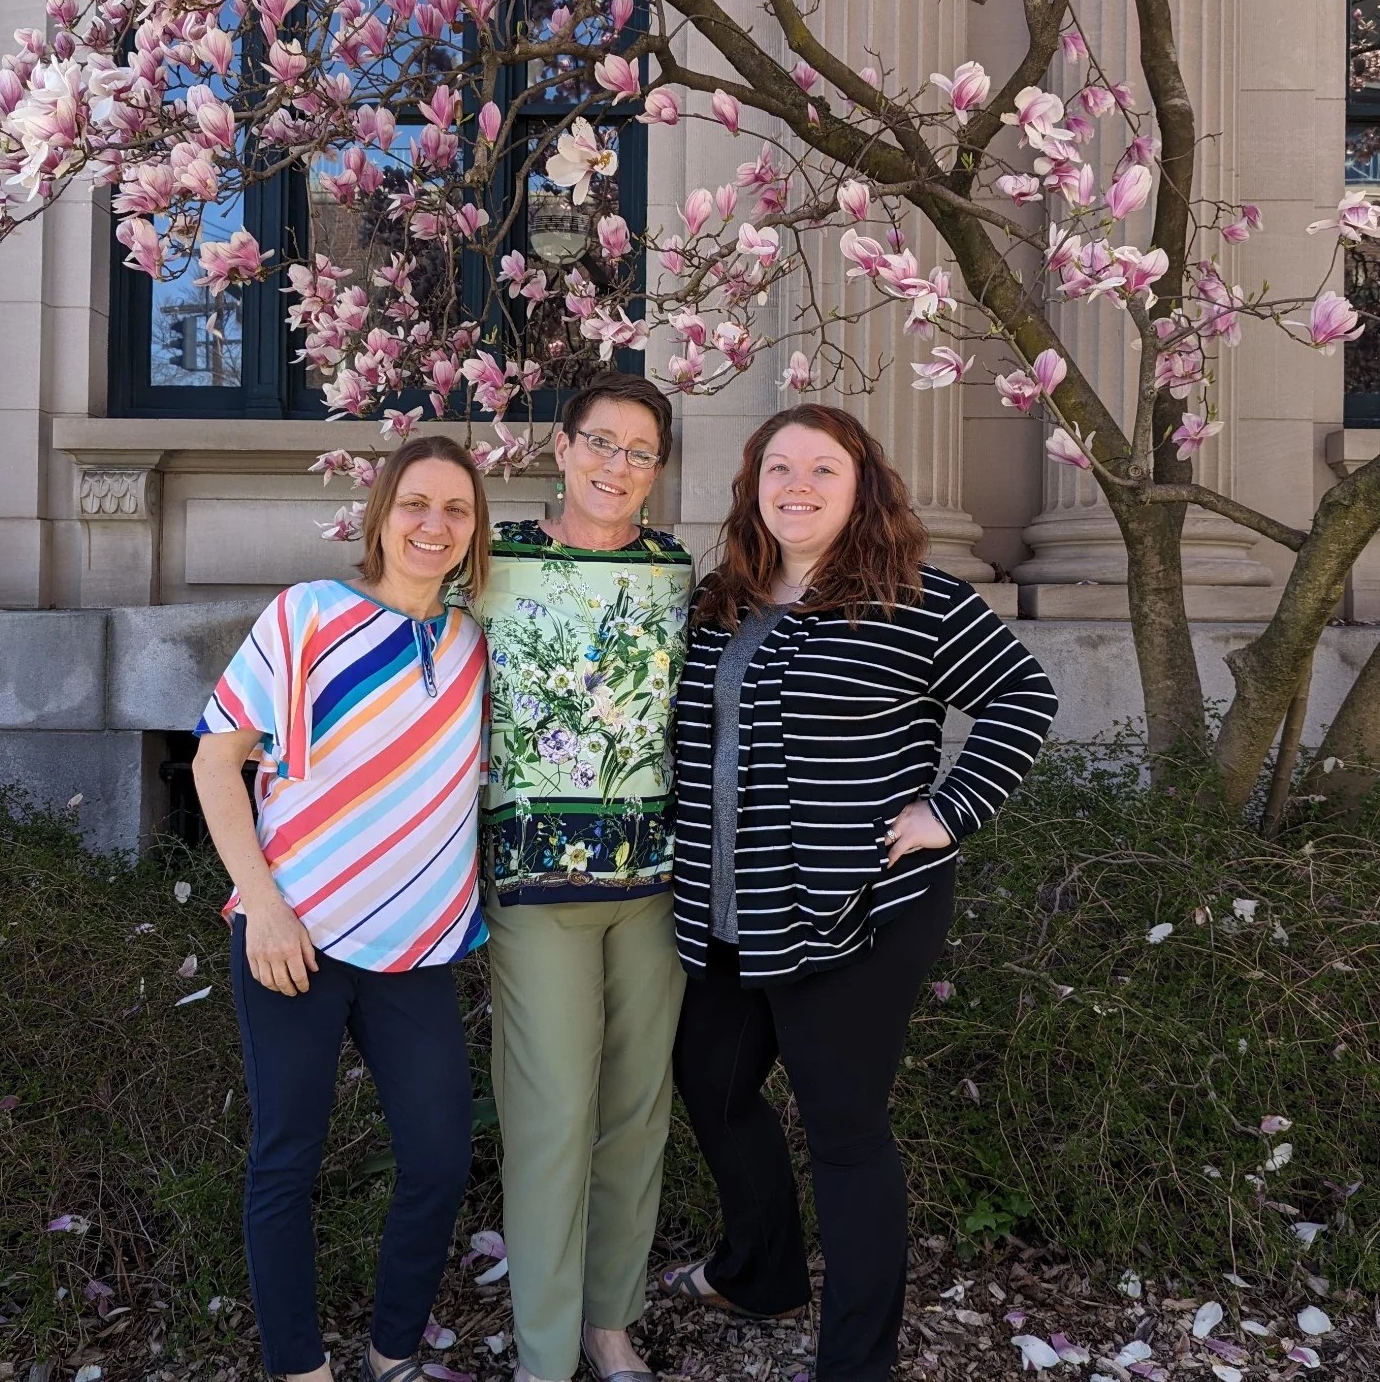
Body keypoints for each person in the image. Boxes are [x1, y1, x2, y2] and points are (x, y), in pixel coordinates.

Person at [660, 404, 1059, 1382]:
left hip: (858, 910)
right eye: (778, 469)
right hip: (725, 911)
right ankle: (761, 1272)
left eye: (821, 470)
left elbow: (1022, 696)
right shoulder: (721, 598)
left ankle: (855, 1363)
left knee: (842, 1132)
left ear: (860, 485)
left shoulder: (916, 598)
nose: (796, 486)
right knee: (710, 1091)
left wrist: (948, 810)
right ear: (753, 487)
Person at [192, 435, 493, 1382]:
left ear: (474, 528)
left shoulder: (474, 643)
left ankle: (392, 1351)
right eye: (415, 504)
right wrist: (264, 908)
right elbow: (213, 761)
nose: (433, 525)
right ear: (380, 514)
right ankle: (298, 1368)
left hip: (416, 950)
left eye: (455, 509)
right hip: (295, 939)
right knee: (288, 1158)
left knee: (442, 1158)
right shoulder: (306, 617)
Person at [471, 371, 695, 1382]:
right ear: (559, 448)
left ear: (654, 475)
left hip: (654, 886)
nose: (615, 466)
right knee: (552, 1119)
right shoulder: (493, 561)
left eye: (637, 452)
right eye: (599, 443)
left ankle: (610, 1320)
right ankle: (546, 1351)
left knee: (633, 1113)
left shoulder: (674, 572)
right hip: (535, 890)